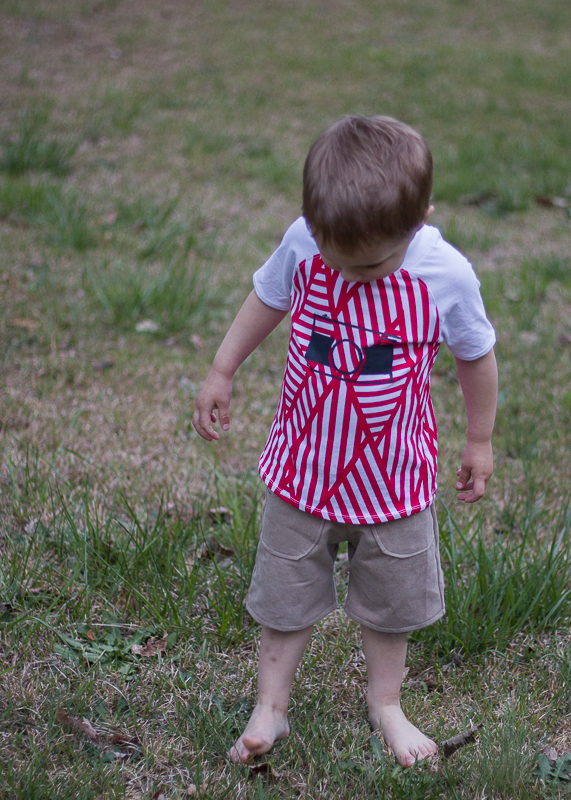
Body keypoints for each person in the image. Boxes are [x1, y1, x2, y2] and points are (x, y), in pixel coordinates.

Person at [193, 115, 498, 768]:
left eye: (374, 263)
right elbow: (266, 299)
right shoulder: (303, 243)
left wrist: (478, 440)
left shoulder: (444, 273)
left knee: (391, 602)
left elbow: (475, 356)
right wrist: (222, 368)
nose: (353, 274)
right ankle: (270, 706)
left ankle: (385, 702)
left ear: (421, 221)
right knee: (284, 593)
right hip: (303, 470)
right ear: (311, 220)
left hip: (394, 480)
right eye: (338, 259)